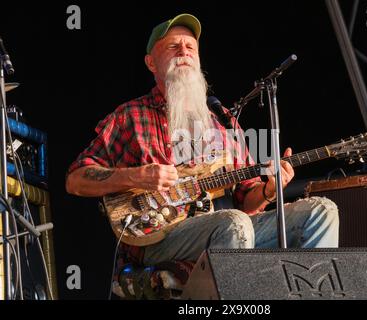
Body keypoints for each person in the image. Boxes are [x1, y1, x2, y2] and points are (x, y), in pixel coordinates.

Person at [65, 13, 339, 270]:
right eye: (173, 47)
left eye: (190, 47)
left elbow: (246, 198)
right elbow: (76, 180)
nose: (184, 52)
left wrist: (269, 189)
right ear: (151, 62)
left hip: (227, 226)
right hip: (158, 238)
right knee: (234, 223)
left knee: (320, 211)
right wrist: (136, 176)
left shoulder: (223, 122)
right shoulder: (131, 116)